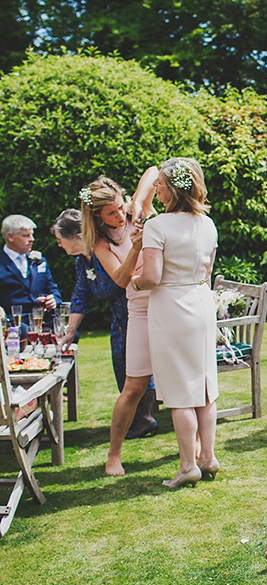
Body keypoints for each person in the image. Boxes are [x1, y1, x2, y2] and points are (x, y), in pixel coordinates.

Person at [135, 158, 219, 489]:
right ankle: (208, 457)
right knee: (204, 386)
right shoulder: (208, 223)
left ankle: (187, 466)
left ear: (171, 188)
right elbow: (208, 273)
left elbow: (153, 277)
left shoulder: (158, 226)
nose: (155, 188)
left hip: (171, 308)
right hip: (201, 304)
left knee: (180, 393)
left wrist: (135, 280)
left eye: (159, 183)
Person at [51, 209, 157, 439]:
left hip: (135, 310)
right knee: (121, 363)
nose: (59, 245)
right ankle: (138, 417)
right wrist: (70, 331)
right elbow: (81, 295)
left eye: (60, 239)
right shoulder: (83, 260)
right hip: (118, 317)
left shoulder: (105, 250)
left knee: (137, 365)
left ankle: (146, 418)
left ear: (75, 235)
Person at [79, 177, 156, 475]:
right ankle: (114, 455)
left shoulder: (135, 210)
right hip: (136, 311)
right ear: (97, 216)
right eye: (111, 213)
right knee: (133, 386)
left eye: (119, 205)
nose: (119, 214)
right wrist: (136, 248)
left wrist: (136, 203)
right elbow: (121, 280)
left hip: (165, 303)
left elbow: (153, 172)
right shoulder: (100, 243)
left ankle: (196, 450)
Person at [0, 214, 61, 330]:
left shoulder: (40, 261)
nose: (32, 239)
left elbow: (53, 288)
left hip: (42, 319)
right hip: (13, 321)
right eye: (26, 236)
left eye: (32, 235)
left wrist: (54, 299)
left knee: (71, 334)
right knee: (25, 332)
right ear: (10, 237)